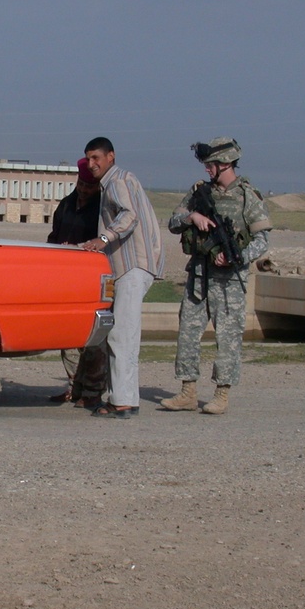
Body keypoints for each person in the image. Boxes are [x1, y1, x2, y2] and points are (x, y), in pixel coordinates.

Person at [159, 137, 272, 415]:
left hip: (230, 280)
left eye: (211, 165)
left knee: (229, 337)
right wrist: (192, 218)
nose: (207, 170)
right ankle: (188, 392)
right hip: (199, 275)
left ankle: (221, 394)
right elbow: (173, 221)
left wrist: (236, 257)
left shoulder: (247, 195)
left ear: (226, 163)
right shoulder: (199, 192)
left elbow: (262, 239)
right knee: (187, 332)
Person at [80, 137, 165, 418]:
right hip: (129, 267)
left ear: (111, 156)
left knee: (122, 335)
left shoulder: (118, 181)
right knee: (122, 334)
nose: (92, 164)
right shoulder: (114, 182)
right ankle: (124, 397)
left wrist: (103, 238)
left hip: (132, 266)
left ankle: (124, 402)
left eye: (96, 158)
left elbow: (130, 216)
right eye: (88, 159)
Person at [46, 158, 107, 409]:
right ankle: (74, 386)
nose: (84, 189)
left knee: (92, 336)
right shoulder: (66, 205)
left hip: (91, 277)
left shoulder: (102, 210)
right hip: (65, 276)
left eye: (89, 186)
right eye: (81, 184)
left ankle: (92, 390)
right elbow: (53, 236)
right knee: (67, 333)